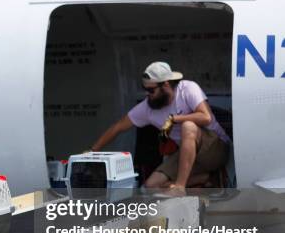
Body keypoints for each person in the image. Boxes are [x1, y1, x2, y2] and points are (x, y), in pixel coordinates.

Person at [90, 61, 230, 194]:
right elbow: (118, 127)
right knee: (150, 187)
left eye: (151, 90)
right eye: (145, 89)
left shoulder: (187, 89)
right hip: (189, 155)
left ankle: (180, 186)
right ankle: (205, 179)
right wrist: (92, 151)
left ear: (166, 85)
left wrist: (175, 119)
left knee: (188, 126)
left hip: (215, 148)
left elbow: (206, 117)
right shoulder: (147, 107)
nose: (147, 94)